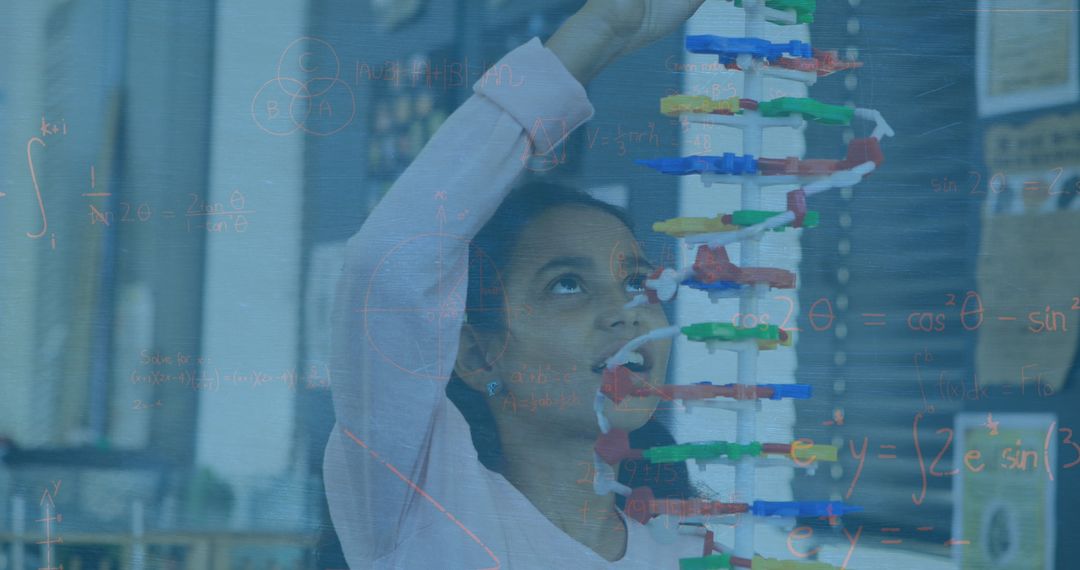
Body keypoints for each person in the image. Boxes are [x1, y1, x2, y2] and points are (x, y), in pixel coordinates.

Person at [324, 1, 708, 567]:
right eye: (567, 285)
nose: (626, 312)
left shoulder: (691, 547)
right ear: (479, 355)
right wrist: (593, 35)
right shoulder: (428, 511)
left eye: (636, 281)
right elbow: (389, 271)